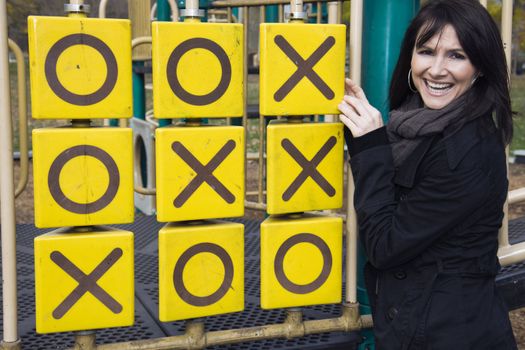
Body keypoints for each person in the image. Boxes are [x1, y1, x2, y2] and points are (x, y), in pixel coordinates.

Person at [337, 0, 517, 349]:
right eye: (427, 51)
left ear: (479, 66)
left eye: (457, 56)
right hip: (425, 321)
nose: (436, 70)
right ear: (410, 58)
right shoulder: (417, 122)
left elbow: (385, 245)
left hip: (448, 333)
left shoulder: (467, 154)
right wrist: (368, 134)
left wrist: (371, 149)